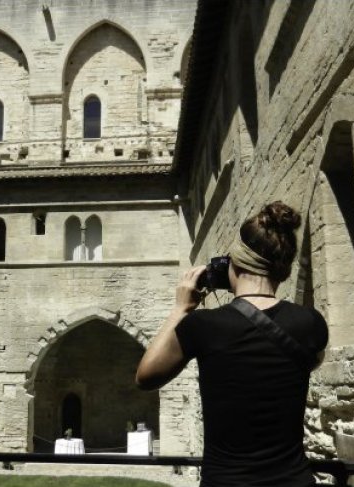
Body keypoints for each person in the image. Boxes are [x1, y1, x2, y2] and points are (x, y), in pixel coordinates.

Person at [136, 201, 328, 487]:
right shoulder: (311, 324)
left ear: (234, 265)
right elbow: (308, 364)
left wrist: (181, 309)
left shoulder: (204, 326)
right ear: (282, 270)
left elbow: (146, 377)